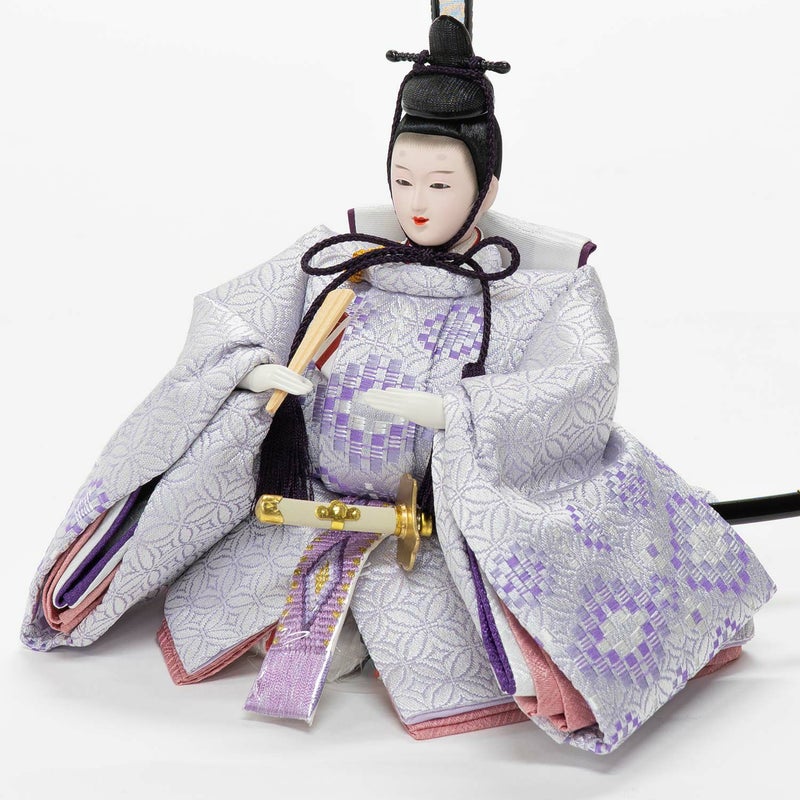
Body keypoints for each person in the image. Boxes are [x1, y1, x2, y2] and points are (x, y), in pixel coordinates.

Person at [21, 13, 774, 754]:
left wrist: (461, 412)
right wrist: (249, 369)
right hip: (305, 513)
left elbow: (579, 383)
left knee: (506, 602)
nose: (417, 202)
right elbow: (231, 314)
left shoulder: (545, 284)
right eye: (403, 178)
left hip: (445, 536)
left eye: (441, 183)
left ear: (486, 186)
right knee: (249, 581)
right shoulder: (342, 255)